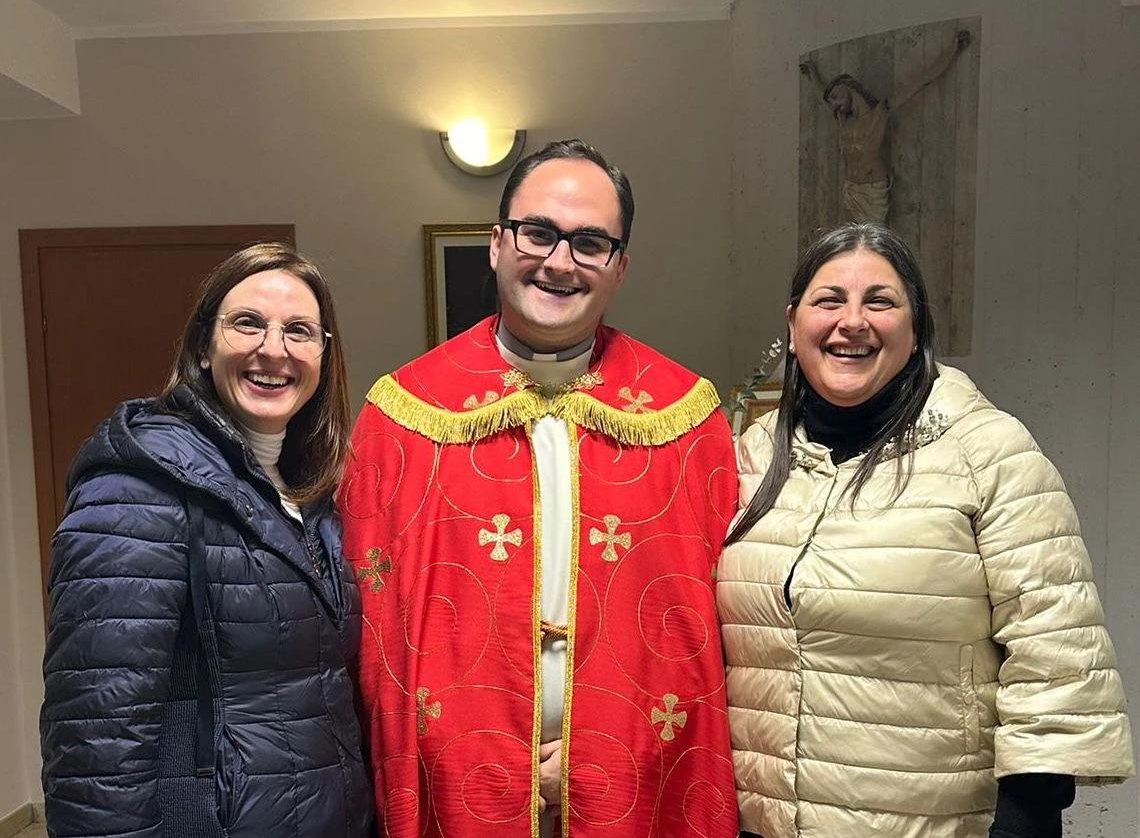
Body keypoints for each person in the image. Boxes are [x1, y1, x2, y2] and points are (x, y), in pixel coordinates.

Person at [339, 139, 738, 837]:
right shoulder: (402, 414)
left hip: (640, 781)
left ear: (620, 267)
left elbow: (706, 640)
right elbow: (378, 639)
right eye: (539, 232)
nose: (559, 261)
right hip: (459, 786)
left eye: (590, 242)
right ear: (496, 244)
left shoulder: (685, 419)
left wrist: (594, 758)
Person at [717, 222, 1133, 838]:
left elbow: (1059, 659)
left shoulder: (989, 452)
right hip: (763, 823)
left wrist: (1027, 819)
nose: (851, 321)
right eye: (828, 300)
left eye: (879, 301)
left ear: (916, 333)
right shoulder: (747, 457)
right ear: (793, 324)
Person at [40, 243, 373, 838]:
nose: (274, 349)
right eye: (248, 323)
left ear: (324, 355)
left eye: (300, 331)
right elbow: (97, 733)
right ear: (202, 344)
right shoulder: (137, 486)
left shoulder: (316, 494)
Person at [799, 29, 971, 224]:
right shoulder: (842, 120)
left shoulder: (880, 113)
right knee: (851, 243)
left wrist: (954, 48)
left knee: (874, 243)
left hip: (873, 191)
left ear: (848, 87)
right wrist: (812, 73)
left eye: (836, 97)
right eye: (832, 101)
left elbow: (921, 81)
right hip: (852, 189)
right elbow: (822, 97)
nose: (835, 104)